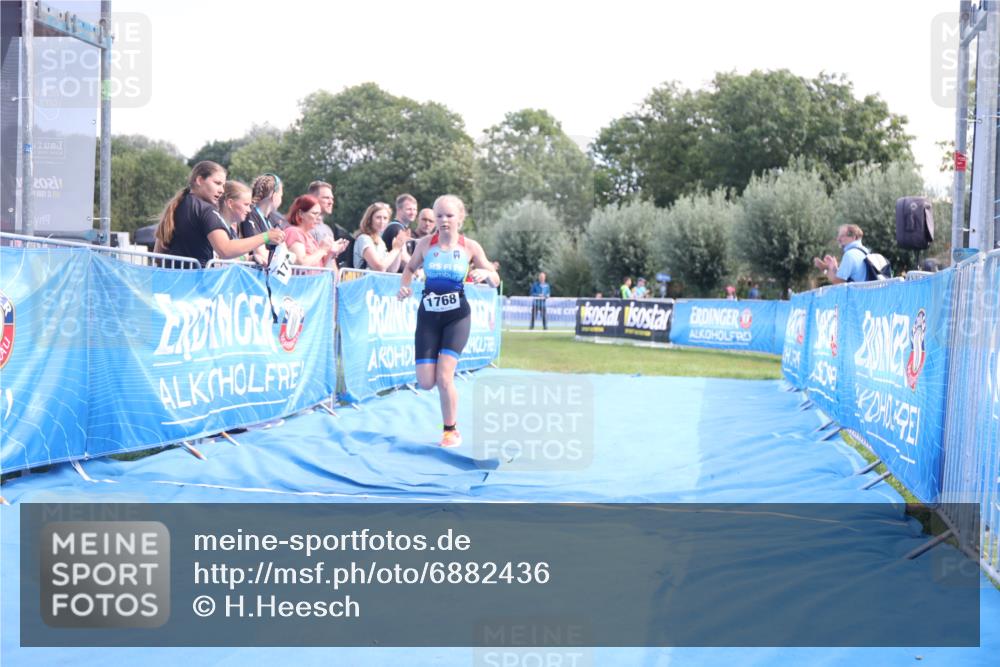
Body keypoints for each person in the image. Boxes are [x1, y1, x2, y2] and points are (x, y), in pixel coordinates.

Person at [397, 195, 499, 448]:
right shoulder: (424, 245)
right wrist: (405, 288)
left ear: (460, 219)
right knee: (425, 382)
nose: (443, 220)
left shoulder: (470, 247)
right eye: (439, 215)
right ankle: (449, 425)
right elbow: (409, 270)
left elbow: (495, 279)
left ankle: (450, 430)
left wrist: (486, 273)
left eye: (449, 216)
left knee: (444, 377)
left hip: (457, 318)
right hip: (428, 317)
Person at [154, 161, 282, 266]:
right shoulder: (206, 210)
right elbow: (225, 250)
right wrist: (266, 237)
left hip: (170, 285)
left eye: (223, 185)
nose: (221, 190)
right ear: (199, 180)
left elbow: (158, 255)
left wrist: (247, 259)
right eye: (217, 183)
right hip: (197, 287)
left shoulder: (177, 204)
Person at [284, 195, 348, 268]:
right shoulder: (293, 232)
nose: (318, 218)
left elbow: (318, 265)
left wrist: (330, 252)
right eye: (314, 213)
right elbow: (301, 263)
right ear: (301, 214)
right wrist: (322, 250)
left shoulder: (309, 236)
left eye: (319, 214)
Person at [241, 173, 285, 265]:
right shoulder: (250, 214)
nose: (281, 199)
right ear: (274, 196)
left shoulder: (273, 219)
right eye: (281, 195)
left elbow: (286, 252)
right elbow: (261, 254)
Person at [354, 202, 408, 272]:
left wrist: (399, 249)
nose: (382, 221)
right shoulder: (364, 239)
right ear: (369, 219)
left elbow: (391, 270)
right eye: (378, 217)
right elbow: (379, 267)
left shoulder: (380, 241)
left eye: (385, 218)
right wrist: (395, 249)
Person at [217, 180, 253, 261]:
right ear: (230, 203)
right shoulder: (216, 228)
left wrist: (252, 258)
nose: (249, 210)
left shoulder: (231, 231)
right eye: (246, 204)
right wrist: (243, 257)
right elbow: (221, 260)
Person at [383, 193, 418, 272]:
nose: (413, 212)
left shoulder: (403, 228)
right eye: (409, 209)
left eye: (415, 209)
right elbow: (403, 255)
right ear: (399, 210)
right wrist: (417, 269)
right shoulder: (395, 228)